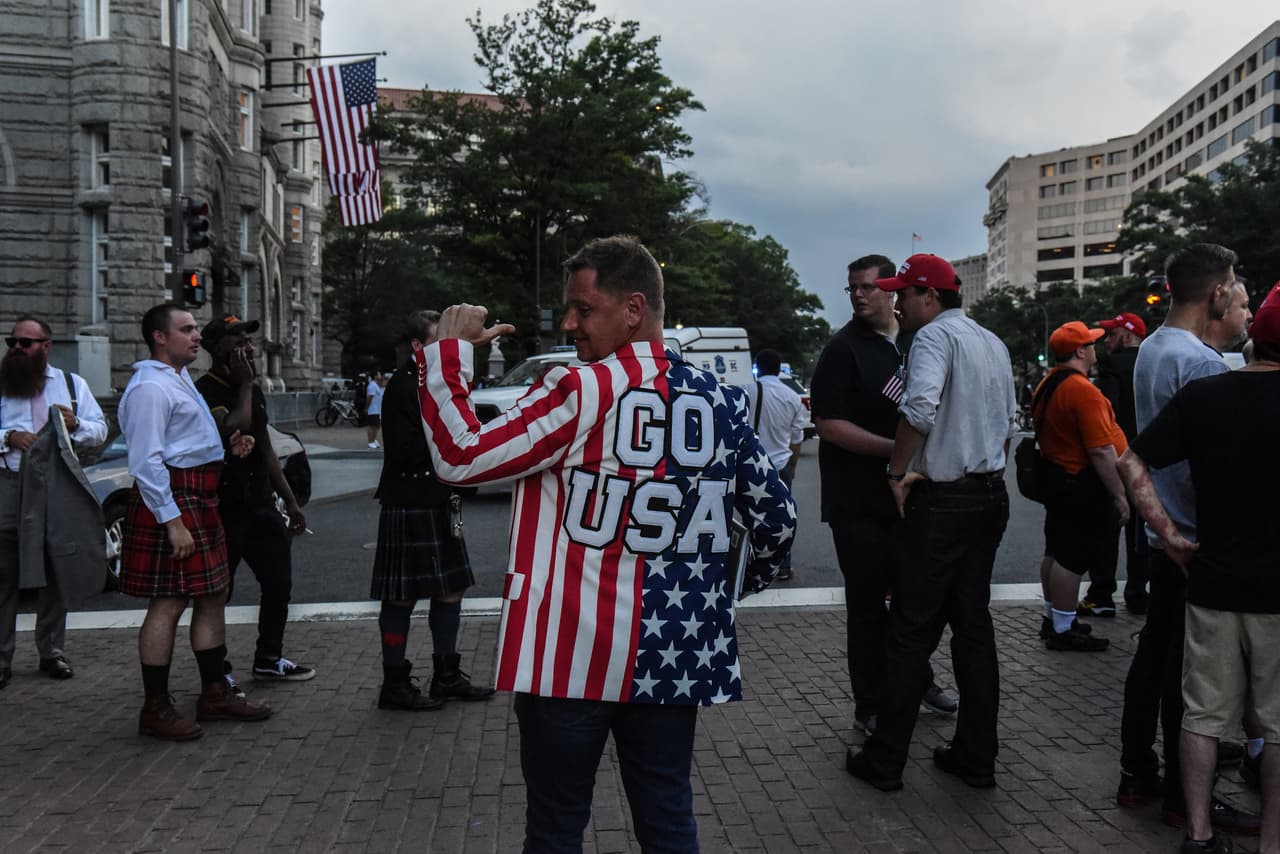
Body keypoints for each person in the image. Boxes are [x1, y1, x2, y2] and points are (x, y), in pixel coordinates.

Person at [414, 236, 796, 851]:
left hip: (568, 653)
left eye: (583, 309)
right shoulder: (720, 399)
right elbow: (777, 518)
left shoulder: (580, 390)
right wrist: (719, 596)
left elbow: (460, 458)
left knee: (557, 825)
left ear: (634, 308)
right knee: (668, 815)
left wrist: (447, 356)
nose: (569, 323)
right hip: (676, 649)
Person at [1116, 281, 1280, 854]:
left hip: (1210, 575)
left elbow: (1131, 461)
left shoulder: (1207, 390)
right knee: (1276, 722)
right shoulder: (1197, 369)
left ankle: (1198, 833)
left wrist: (1169, 534)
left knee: (1201, 715)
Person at [846, 254, 1015, 792]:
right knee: (973, 629)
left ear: (930, 297)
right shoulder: (991, 341)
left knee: (910, 630)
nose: (896, 302)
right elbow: (1006, 425)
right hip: (989, 493)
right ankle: (976, 753)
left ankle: (885, 758)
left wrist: (899, 471)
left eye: (904, 294)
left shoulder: (934, 340)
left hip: (944, 500)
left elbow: (918, 410)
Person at [809, 254, 957, 740]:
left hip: (912, 498)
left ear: (893, 290)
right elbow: (828, 426)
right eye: (852, 288)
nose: (859, 295)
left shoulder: (920, 340)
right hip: (859, 503)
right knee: (868, 606)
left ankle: (918, 680)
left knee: (917, 601)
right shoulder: (843, 349)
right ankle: (870, 704)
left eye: (869, 287)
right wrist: (899, 451)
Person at [118, 304, 271, 740]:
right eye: (185, 330)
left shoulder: (177, 378)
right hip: (174, 498)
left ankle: (213, 693)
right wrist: (172, 521)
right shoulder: (149, 387)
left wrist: (226, 449)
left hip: (199, 494)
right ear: (159, 338)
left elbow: (184, 441)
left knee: (212, 593)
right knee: (168, 602)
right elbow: (146, 463)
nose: (196, 336)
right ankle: (155, 707)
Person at [370, 309, 494, 711]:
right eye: (441, 340)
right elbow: (409, 451)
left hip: (440, 498)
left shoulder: (439, 383)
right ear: (418, 347)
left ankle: (446, 675)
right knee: (401, 595)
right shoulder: (408, 387)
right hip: (411, 499)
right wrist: (454, 461)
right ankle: (394, 682)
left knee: (450, 589)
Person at [194, 315, 315, 685]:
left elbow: (264, 448)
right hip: (223, 509)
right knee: (218, 595)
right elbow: (233, 427)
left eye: (249, 342)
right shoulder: (206, 391)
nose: (248, 350)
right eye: (238, 344)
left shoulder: (254, 390)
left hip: (260, 505)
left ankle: (269, 657)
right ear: (217, 351)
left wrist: (291, 502)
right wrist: (245, 386)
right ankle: (217, 672)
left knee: (278, 583)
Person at [0, 316, 108, 688]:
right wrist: (8, 436)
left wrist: (76, 423)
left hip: (56, 488)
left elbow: (100, 431)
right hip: (9, 484)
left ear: (45, 347)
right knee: (4, 575)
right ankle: (2, 658)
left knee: (56, 570)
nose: (16, 349)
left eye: (25, 343)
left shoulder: (71, 385)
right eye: (12, 341)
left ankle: (52, 652)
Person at [1033, 321, 1128, 653]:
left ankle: (1055, 618)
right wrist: (1120, 494)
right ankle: (1062, 626)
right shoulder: (1081, 390)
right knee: (1072, 558)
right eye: (1089, 344)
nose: (1094, 349)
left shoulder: (1049, 383)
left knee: (1055, 552)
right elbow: (1100, 450)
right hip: (1082, 483)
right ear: (1079, 351)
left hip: (1059, 479)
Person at [1083, 311, 1147, 617]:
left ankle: (1102, 592)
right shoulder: (1153, 361)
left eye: (1112, 334)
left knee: (1108, 526)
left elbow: (1108, 410)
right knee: (1141, 528)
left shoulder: (1110, 365)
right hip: (1150, 455)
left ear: (1127, 335)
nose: (1107, 340)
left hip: (1120, 452)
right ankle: (1137, 590)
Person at [744, 348, 806, 581]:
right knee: (783, 516)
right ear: (779, 370)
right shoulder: (792, 397)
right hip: (780, 465)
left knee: (747, 515)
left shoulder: (747, 391)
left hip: (750, 465)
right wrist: (793, 465)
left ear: (757, 368)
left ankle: (747, 562)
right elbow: (797, 437)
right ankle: (783, 565)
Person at [365, 371, 385, 449]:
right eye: (379, 374)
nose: (381, 376)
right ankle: (370, 442)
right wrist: (367, 408)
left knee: (376, 426)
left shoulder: (376, 385)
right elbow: (370, 397)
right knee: (371, 426)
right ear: (375, 376)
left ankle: (373, 440)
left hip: (377, 410)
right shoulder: (372, 386)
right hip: (372, 410)